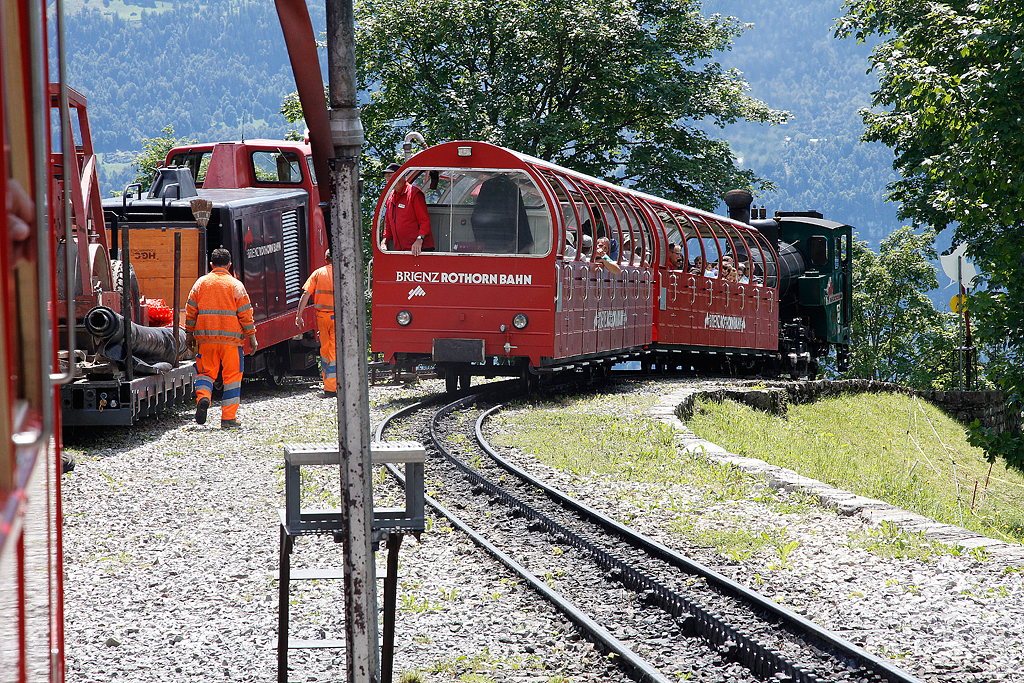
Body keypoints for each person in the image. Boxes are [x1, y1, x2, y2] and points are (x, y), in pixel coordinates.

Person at [185, 248, 258, 429]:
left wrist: (189, 333)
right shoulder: (236, 285)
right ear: (229, 265)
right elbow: (245, 314)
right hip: (231, 343)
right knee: (232, 378)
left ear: (211, 264)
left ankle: (203, 398)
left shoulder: (200, 283)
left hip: (206, 341)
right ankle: (228, 418)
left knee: (205, 374)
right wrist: (252, 336)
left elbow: (191, 310)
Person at [295, 249, 336, 398]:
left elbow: (306, 294)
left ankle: (329, 387)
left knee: (325, 351)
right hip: (337, 318)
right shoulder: (341, 273)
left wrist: (299, 316)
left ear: (325, 259)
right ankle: (334, 387)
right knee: (335, 351)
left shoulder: (318, 274)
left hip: (322, 318)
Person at [381, 162, 434, 256]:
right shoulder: (390, 197)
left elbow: (424, 221)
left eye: (390, 176)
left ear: (400, 176)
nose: (387, 179)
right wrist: (384, 241)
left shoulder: (414, 194)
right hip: (401, 251)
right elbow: (388, 223)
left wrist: (419, 240)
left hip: (420, 250)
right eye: (386, 177)